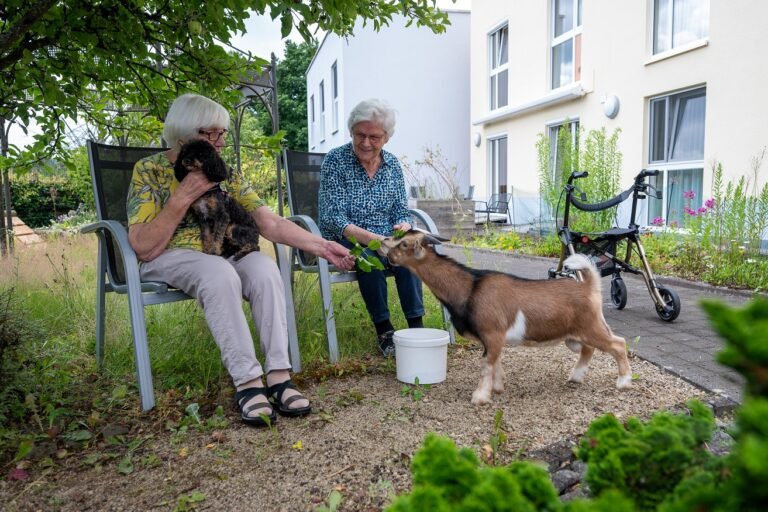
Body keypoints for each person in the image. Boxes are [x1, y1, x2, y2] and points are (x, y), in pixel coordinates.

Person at [126, 93, 355, 427]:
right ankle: (248, 382)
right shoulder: (148, 171)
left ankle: (278, 375)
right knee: (219, 272)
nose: (219, 142)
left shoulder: (226, 174)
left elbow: (270, 223)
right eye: (210, 134)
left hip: (223, 253)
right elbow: (143, 245)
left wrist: (322, 246)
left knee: (263, 268)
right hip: (170, 256)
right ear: (183, 134)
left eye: (222, 133)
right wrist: (184, 195)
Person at [318, 98, 425, 357]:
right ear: (351, 132)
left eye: (374, 137)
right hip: (345, 237)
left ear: (386, 138)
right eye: (360, 135)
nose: (366, 143)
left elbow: (401, 208)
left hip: (385, 236)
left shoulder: (392, 165)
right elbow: (333, 217)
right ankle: (385, 330)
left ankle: (416, 328)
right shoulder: (335, 161)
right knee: (369, 259)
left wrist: (404, 223)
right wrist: (375, 241)